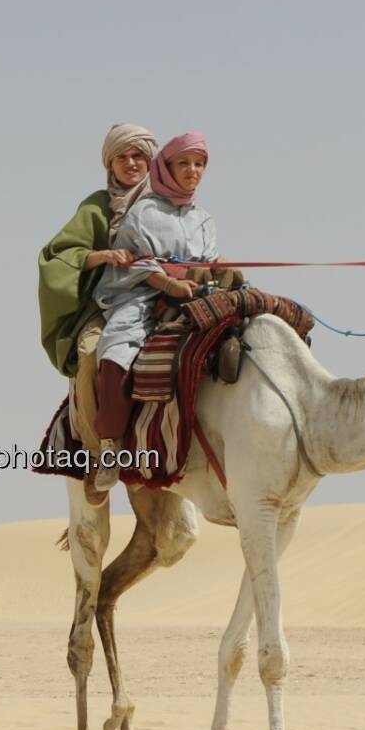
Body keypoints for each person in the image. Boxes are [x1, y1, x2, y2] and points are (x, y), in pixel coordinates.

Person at [92, 132, 218, 490]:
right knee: (115, 355)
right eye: (184, 163)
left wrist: (216, 270)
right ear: (166, 167)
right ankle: (110, 448)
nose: (192, 170)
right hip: (141, 297)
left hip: (194, 294)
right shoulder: (145, 211)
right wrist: (167, 283)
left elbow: (207, 261)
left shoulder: (204, 219)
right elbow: (134, 261)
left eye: (199, 164)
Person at [38, 123, 159, 462]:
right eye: (122, 156)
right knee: (92, 355)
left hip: (164, 297)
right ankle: (98, 453)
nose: (131, 163)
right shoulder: (96, 207)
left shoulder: (167, 203)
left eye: (138, 155)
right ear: (110, 164)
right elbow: (56, 256)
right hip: (107, 305)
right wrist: (103, 256)